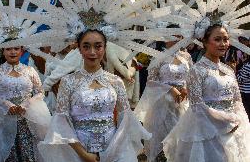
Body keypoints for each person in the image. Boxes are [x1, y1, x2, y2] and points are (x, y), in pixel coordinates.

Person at [38, 29, 151, 162]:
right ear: (79, 49)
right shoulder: (68, 82)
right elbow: (61, 122)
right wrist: (83, 154)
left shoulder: (115, 81)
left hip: (113, 150)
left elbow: (125, 119)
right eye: (86, 46)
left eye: (98, 46)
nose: (92, 52)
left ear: (105, 48)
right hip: (78, 152)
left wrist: (115, 149)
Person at [163, 24, 250, 162]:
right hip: (207, 132)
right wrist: (225, 121)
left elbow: (238, 100)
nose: (223, 44)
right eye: (217, 39)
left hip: (234, 130)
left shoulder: (229, 70)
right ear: (205, 41)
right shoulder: (196, 71)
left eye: (226, 39)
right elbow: (197, 105)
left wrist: (238, 120)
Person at [0, 45, 51, 162]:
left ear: (21, 51)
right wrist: (5, 105)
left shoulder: (30, 71)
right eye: (8, 49)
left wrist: (27, 104)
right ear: (2, 51)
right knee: (7, 155)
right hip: (3, 120)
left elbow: (40, 92)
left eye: (16, 49)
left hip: (27, 120)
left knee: (29, 154)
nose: (12, 52)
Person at [135, 26, 192, 161]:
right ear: (166, 37)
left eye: (180, 36)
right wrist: (170, 89)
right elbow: (151, 82)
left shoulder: (186, 56)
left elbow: (191, 77)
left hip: (182, 102)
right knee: (161, 137)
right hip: (162, 102)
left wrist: (186, 88)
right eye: (175, 36)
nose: (178, 39)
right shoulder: (158, 57)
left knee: (181, 137)